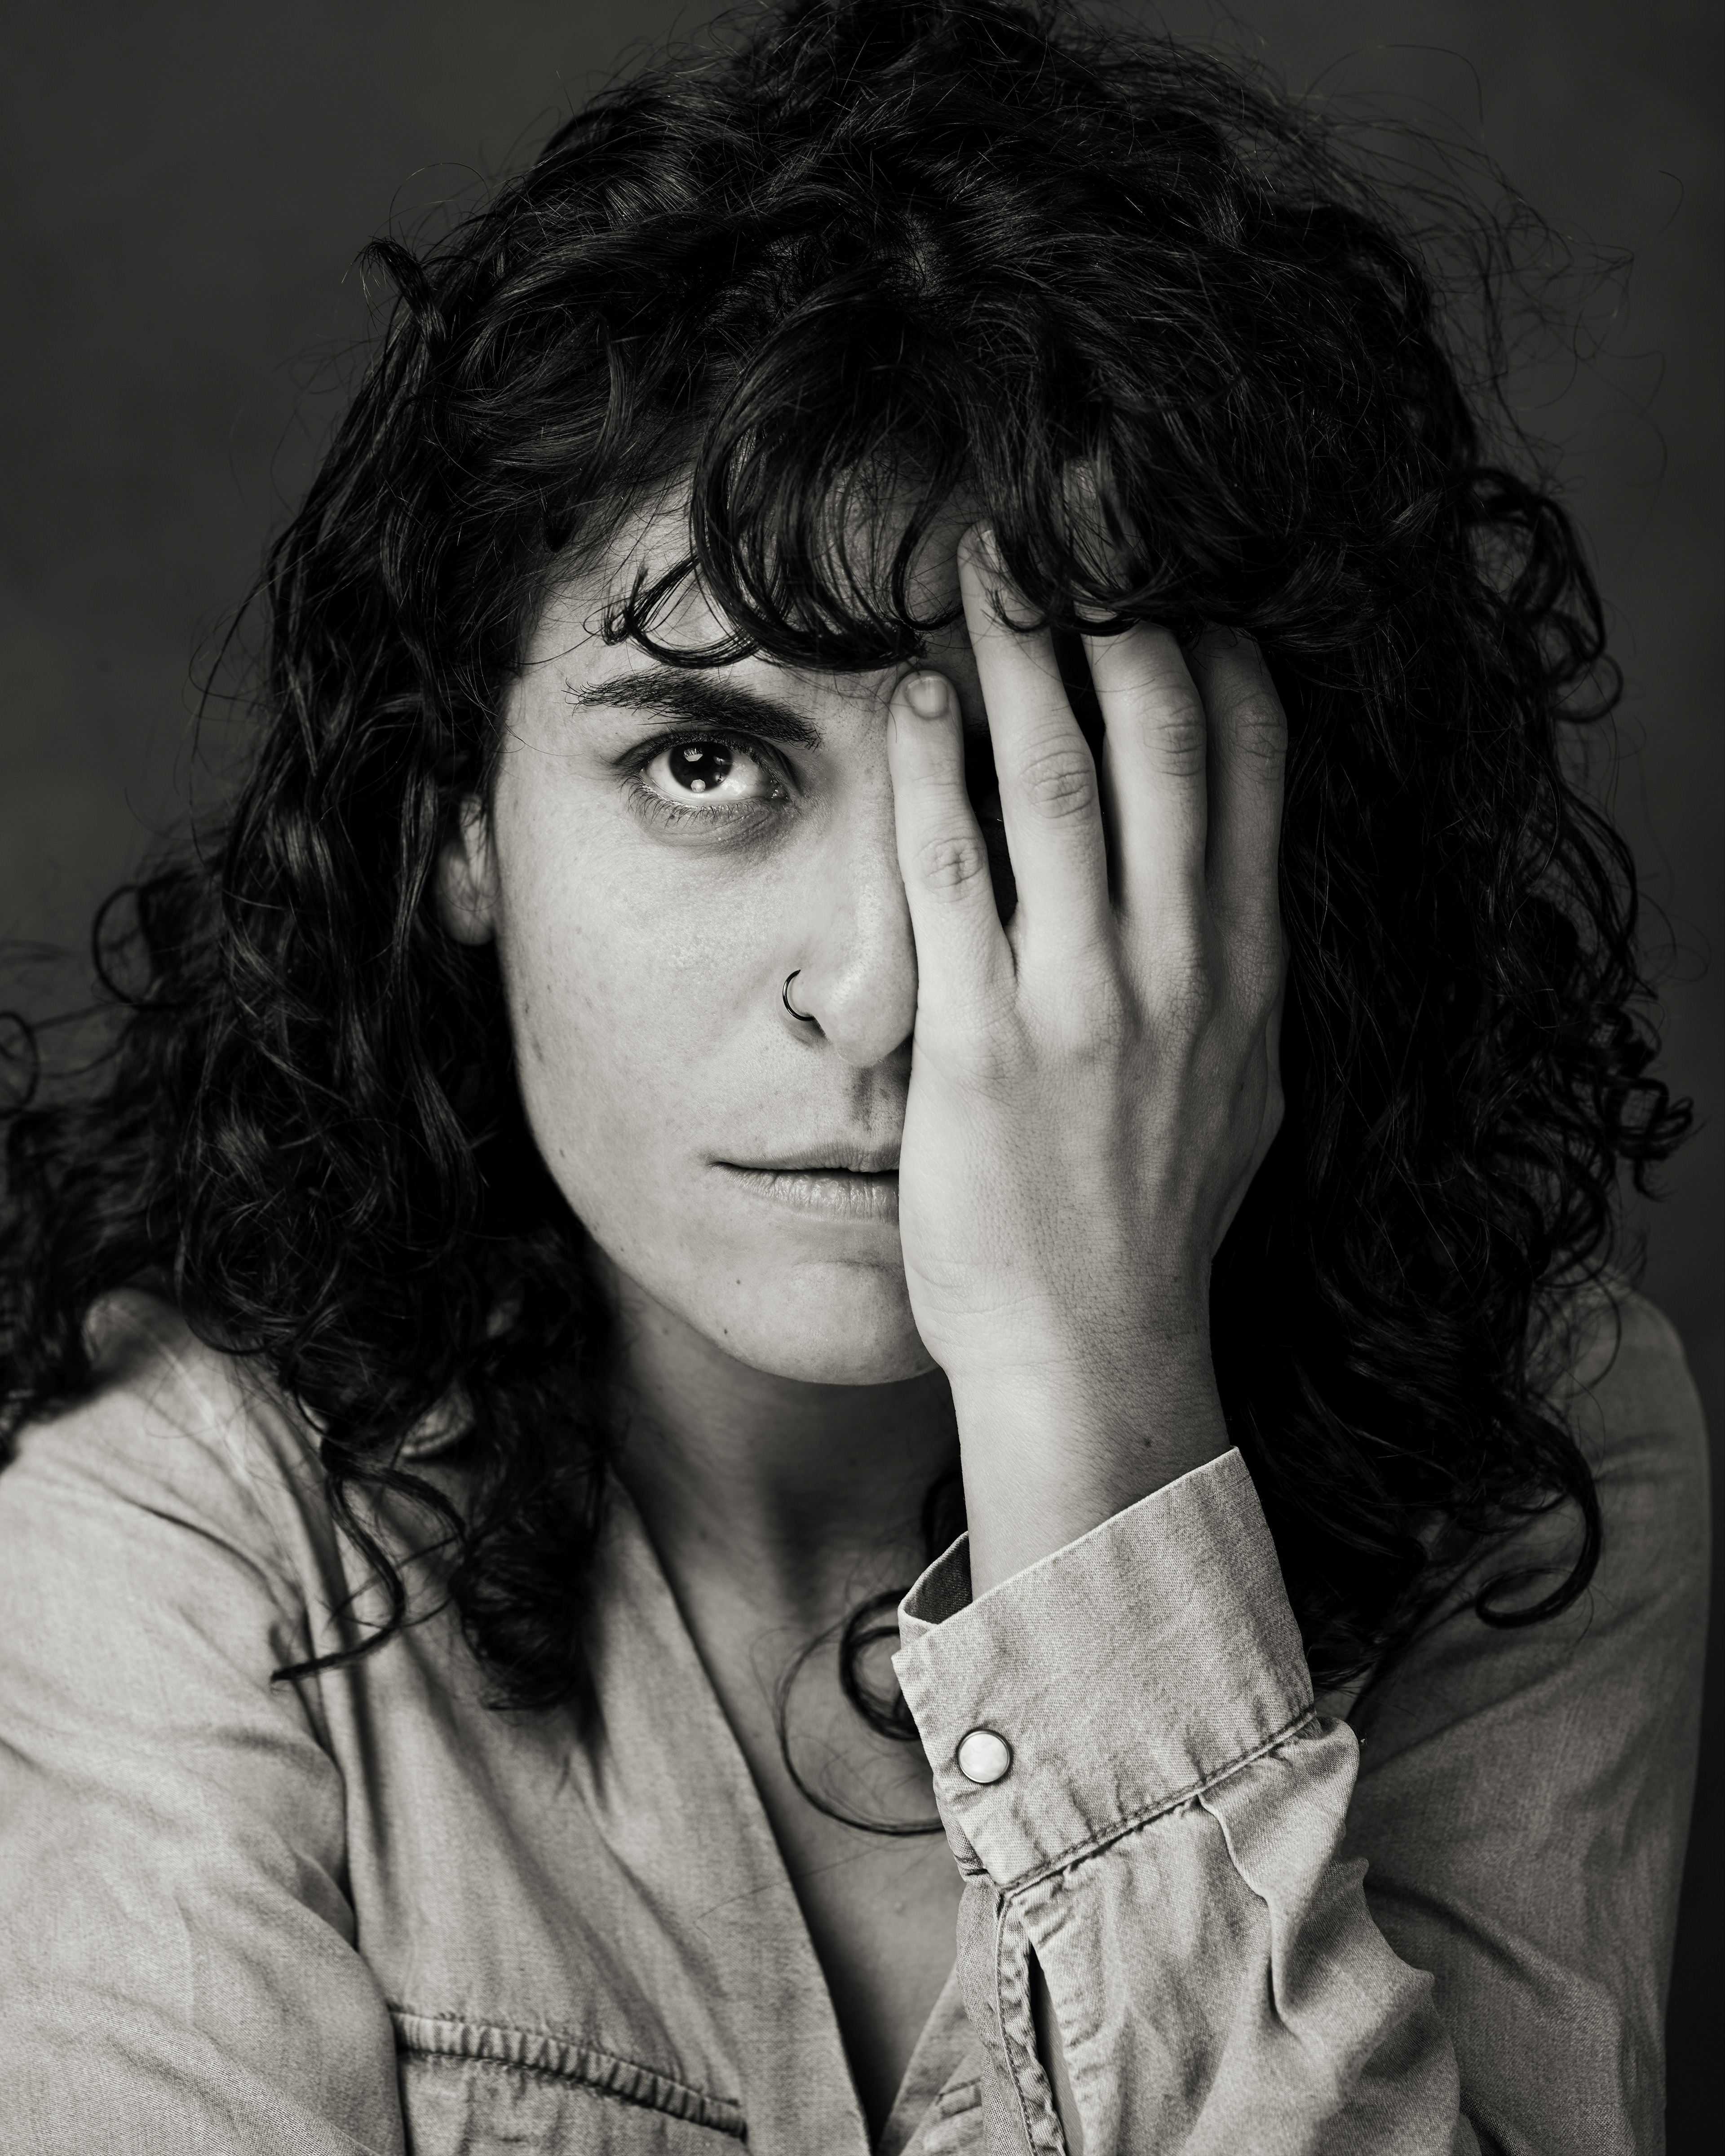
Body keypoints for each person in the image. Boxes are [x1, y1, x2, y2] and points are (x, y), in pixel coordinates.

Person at [0, 2, 1706, 2150]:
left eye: (1031, 783)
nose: (881, 989)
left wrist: (1100, 1413)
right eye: (706, 763)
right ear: (457, 824)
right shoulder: (185, 1523)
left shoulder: (1533, 1460)